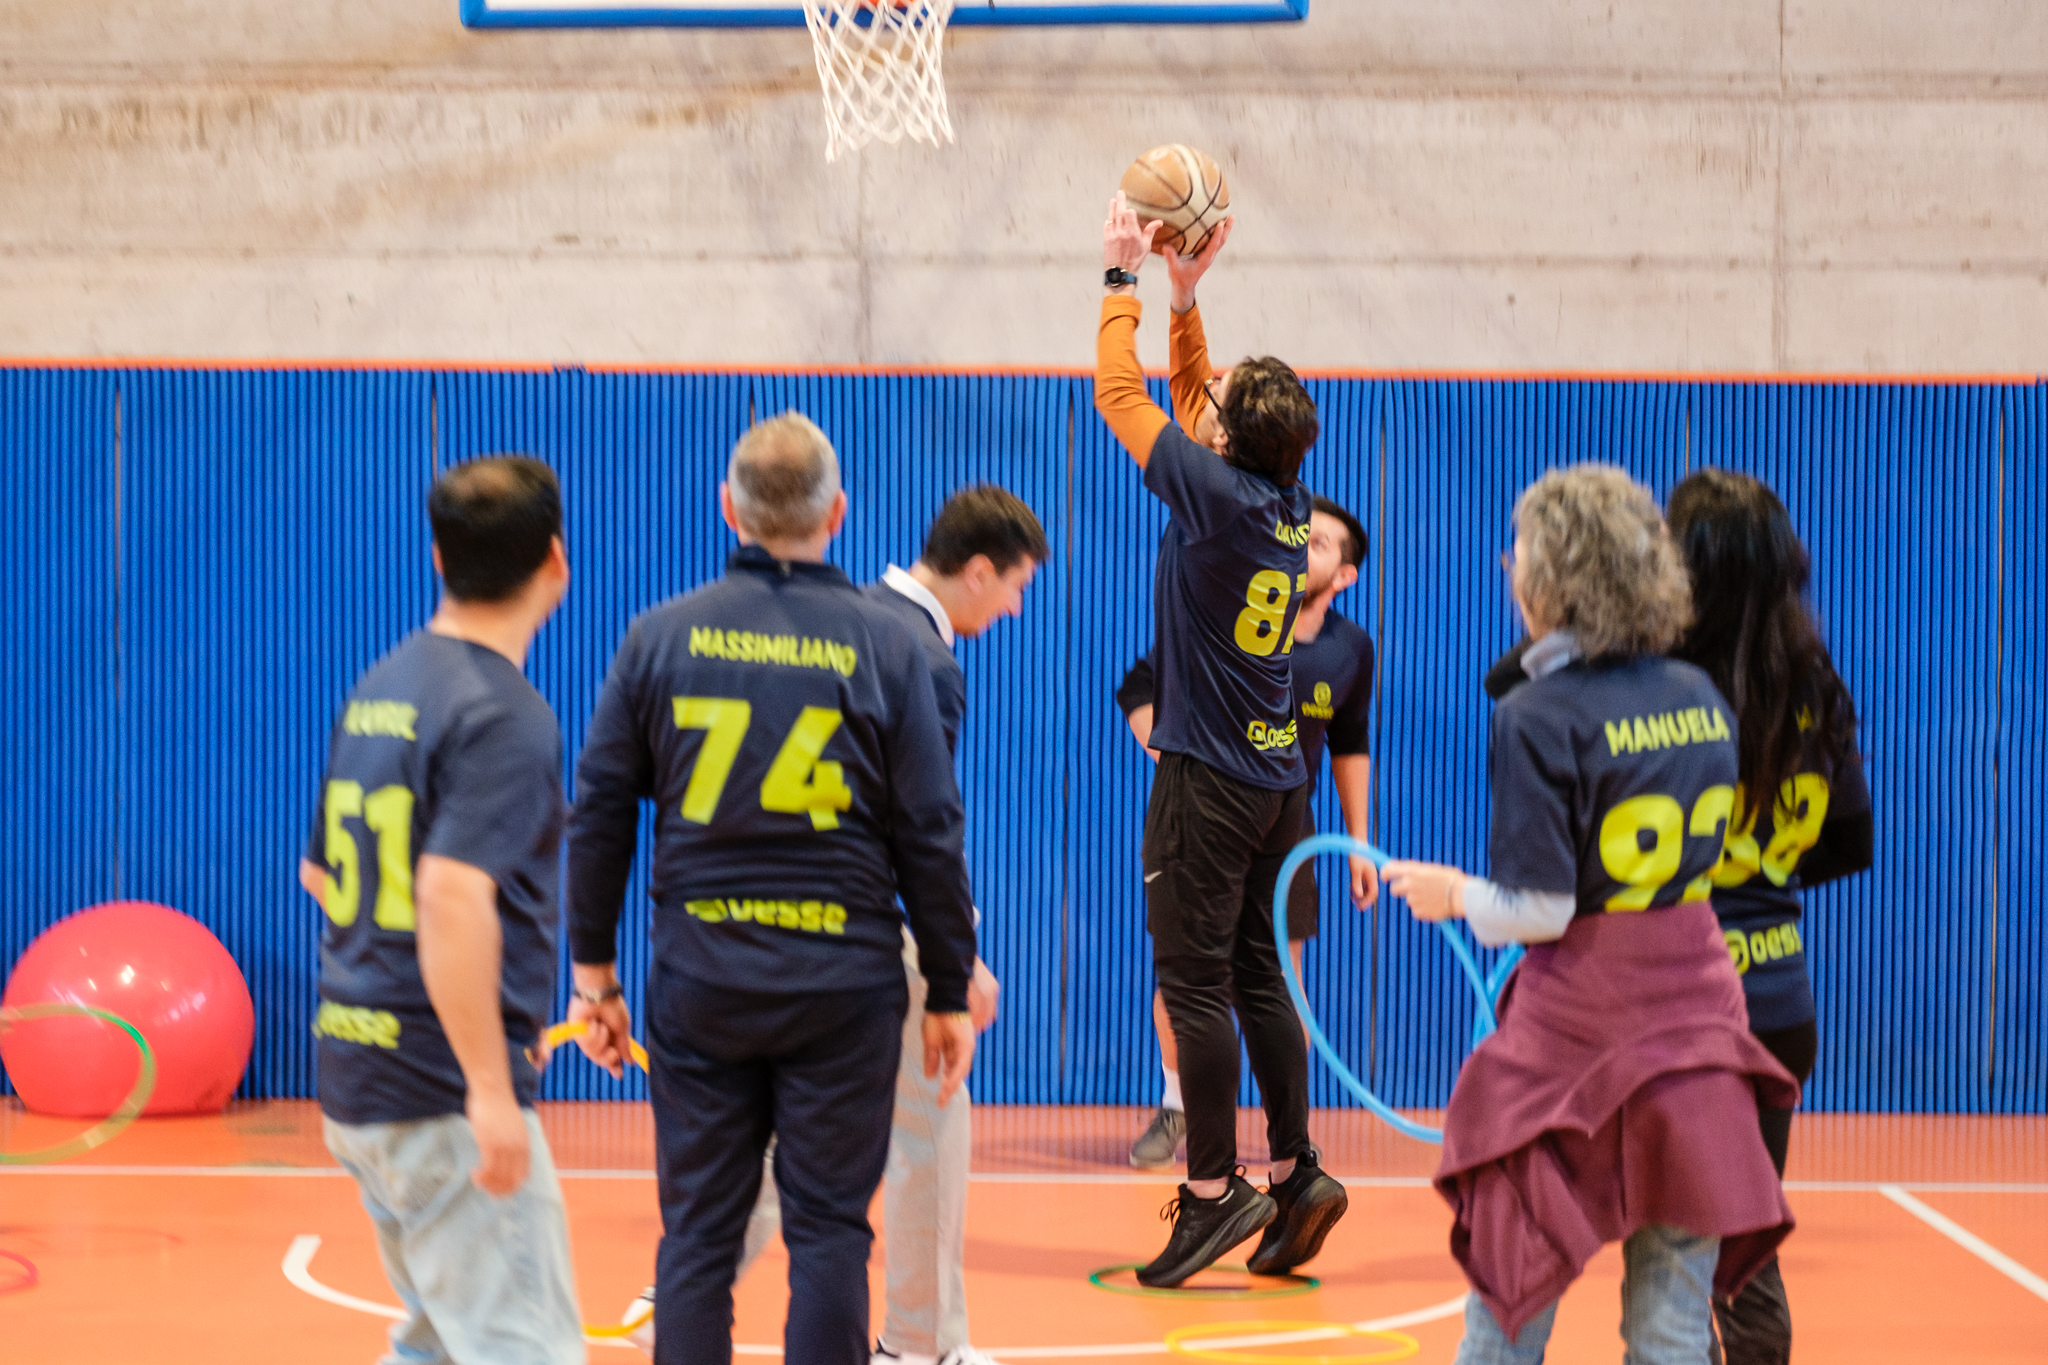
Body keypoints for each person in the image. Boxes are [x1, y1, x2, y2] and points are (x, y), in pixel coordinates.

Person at [564, 413, 980, 1365]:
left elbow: (599, 814)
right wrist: (949, 989)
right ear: (838, 512)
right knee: (829, 1229)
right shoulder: (890, 647)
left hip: (703, 975)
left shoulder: (659, 636)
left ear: (729, 508)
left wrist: (594, 978)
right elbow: (930, 829)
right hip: (844, 984)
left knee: (698, 1235)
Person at [1380, 463, 1799, 1365]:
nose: (1510, 568)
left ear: (1551, 576)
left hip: (1580, 1042)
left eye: (1519, 554)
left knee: (1507, 1308)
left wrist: (1453, 894)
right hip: (1696, 1029)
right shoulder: (1701, 696)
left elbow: (1541, 909)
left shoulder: (1536, 713)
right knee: (1672, 1327)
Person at [1096, 192, 1346, 1288]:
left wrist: (1122, 279)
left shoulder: (1215, 495)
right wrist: (1186, 298)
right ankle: (1295, 1170)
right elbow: (1199, 402)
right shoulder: (1283, 503)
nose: (1203, 407)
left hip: (1206, 777)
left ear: (1227, 443)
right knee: (1259, 978)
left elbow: (1121, 394)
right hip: (1277, 780)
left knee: (1193, 983)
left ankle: (1210, 1194)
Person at [298, 456, 582, 1365]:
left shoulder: (383, 685)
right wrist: (486, 1078)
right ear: (556, 559)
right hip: (438, 1089)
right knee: (524, 1349)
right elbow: (451, 895)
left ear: (437, 556)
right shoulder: (504, 712)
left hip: (358, 1068)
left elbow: (321, 875)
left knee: (438, 1343)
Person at [1668, 468, 1872, 1365]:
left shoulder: (1661, 686)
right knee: (1742, 1253)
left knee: (1677, 1257)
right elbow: (1849, 840)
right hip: (1781, 1000)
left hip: (1685, 998)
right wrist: (1762, 873)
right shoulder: (1814, 682)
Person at [1118, 494, 1378, 1171]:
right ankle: (1178, 1103)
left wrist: (1358, 842)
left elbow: (1351, 744)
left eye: (1319, 543)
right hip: (1202, 815)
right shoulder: (1232, 614)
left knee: (1279, 981)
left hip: (1286, 830)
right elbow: (1139, 689)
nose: (1301, 547)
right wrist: (1182, 759)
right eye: (1301, 535)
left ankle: (1286, 1132)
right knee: (1187, 977)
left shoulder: (1351, 649)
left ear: (1344, 574)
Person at [865, 485, 1045, 1365]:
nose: (1014, 608)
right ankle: (919, 1345)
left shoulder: (851, 618)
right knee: (929, 1123)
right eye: (1015, 587)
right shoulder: (926, 659)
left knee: (788, 1137)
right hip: (880, 926)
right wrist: (954, 961)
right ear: (978, 570)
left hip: (782, 931)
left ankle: (678, 1287)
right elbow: (921, 826)